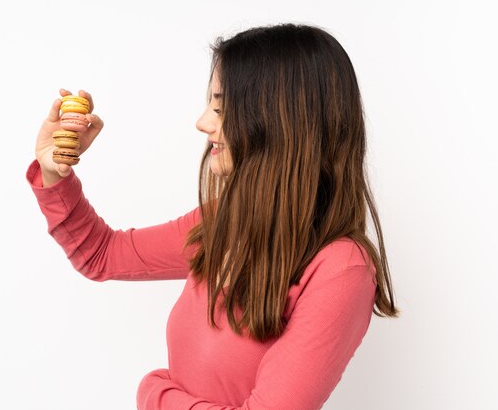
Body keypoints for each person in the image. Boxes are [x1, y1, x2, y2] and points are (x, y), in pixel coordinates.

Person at [27, 23, 399, 410]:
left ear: (280, 121)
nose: (204, 122)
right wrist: (55, 173)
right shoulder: (224, 223)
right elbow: (101, 254)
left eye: (220, 107)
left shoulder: (342, 269)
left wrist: (154, 392)